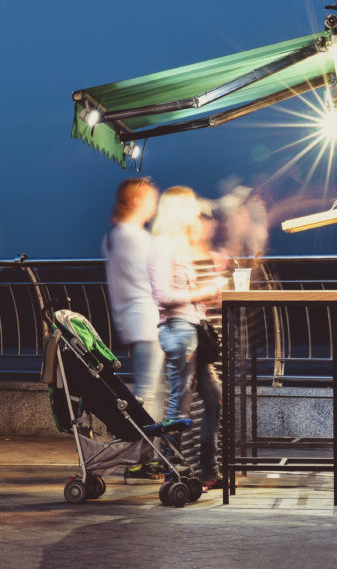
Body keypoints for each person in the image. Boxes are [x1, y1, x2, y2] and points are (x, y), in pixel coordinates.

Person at [148, 186, 225, 488]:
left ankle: (207, 470)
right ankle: (173, 474)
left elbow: (181, 295)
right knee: (178, 406)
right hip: (179, 333)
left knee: (214, 399)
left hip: (192, 331)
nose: (197, 211)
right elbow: (163, 296)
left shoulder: (178, 244)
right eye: (191, 206)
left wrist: (205, 300)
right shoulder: (164, 245)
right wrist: (203, 292)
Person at [102, 177, 166, 420]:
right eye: (152, 198)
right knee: (149, 392)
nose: (155, 204)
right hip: (148, 321)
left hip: (139, 321)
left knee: (150, 391)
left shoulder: (117, 234)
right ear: (136, 200)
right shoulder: (132, 236)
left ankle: (151, 449)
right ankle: (147, 450)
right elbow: (154, 279)